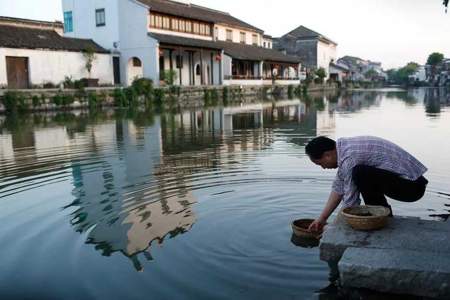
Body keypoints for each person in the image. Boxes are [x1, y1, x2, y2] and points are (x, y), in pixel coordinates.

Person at [306, 136, 428, 232]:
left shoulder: (350, 158)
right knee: (360, 173)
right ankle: (382, 215)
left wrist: (335, 227)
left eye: (320, 163)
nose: (323, 168)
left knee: (361, 173)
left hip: (412, 188)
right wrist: (321, 220)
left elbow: (350, 202)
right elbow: (339, 187)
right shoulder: (344, 149)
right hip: (411, 183)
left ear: (327, 155)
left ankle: (380, 217)